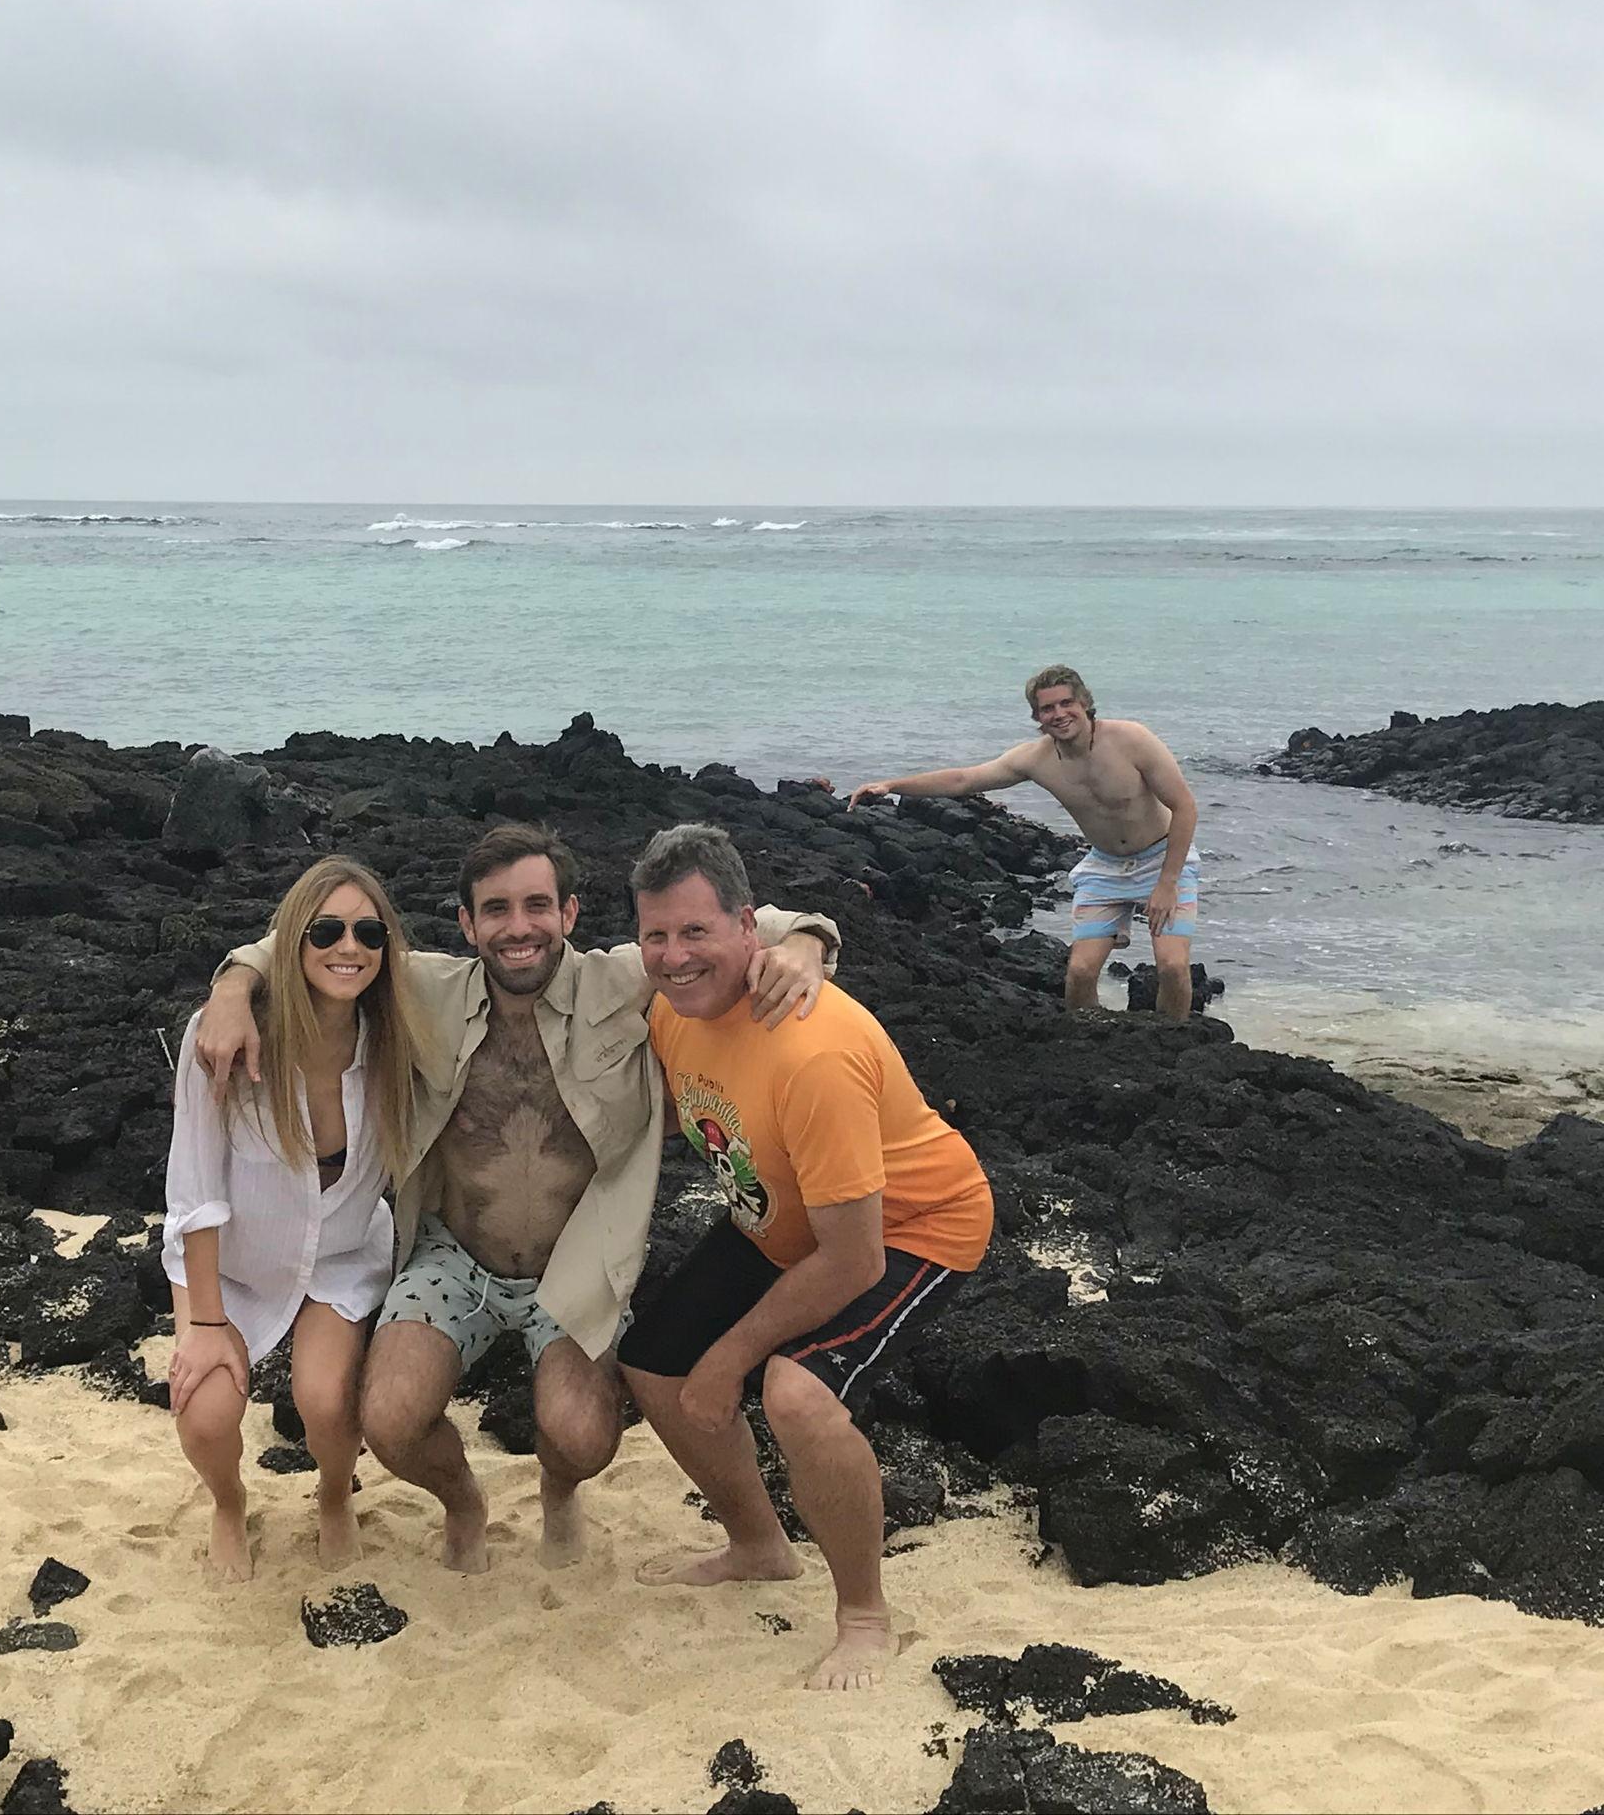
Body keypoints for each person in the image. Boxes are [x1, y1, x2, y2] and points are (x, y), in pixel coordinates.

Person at [193, 821, 839, 1573]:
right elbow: (305, 945)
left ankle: (558, 1488)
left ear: (568, 914)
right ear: (467, 924)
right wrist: (232, 988)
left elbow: (748, 923)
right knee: (391, 1420)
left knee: (582, 1437)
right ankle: (462, 1498)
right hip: (453, 1256)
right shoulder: (424, 990)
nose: (518, 927)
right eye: (495, 910)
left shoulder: (624, 978)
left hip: (575, 1263)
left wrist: (804, 945)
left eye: (537, 905)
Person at [619, 822, 992, 1693]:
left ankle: (863, 1613)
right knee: (651, 1366)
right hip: (782, 1220)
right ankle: (758, 1546)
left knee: (795, 1393)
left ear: (748, 927)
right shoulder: (671, 1005)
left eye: (695, 932)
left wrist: (733, 1355)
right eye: (656, 935)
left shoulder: (809, 1047)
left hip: (912, 1226)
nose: (673, 956)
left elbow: (854, 1261)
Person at [162, 855, 427, 1582]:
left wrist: (781, 936)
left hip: (341, 1253)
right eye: (326, 930)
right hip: (233, 1260)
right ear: (292, 940)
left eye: (369, 932)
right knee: (207, 1408)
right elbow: (194, 1191)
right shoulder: (224, 1040)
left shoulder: (397, 1032)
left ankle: (336, 1493)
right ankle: (227, 1502)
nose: (350, 947)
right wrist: (209, 1325)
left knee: (323, 1400)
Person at [845, 664, 1201, 1019]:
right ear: (1037, 716)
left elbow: (1184, 806)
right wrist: (891, 785)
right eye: (1048, 708)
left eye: (1066, 703)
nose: (1059, 714)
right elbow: (963, 780)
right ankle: (1092, 1041)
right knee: (1079, 974)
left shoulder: (1131, 740)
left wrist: (1167, 883)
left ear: (1085, 703)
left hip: (1163, 859)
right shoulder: (1037, 759)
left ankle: (1174, 1042)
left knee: (1170, 965)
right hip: (1105, 867)